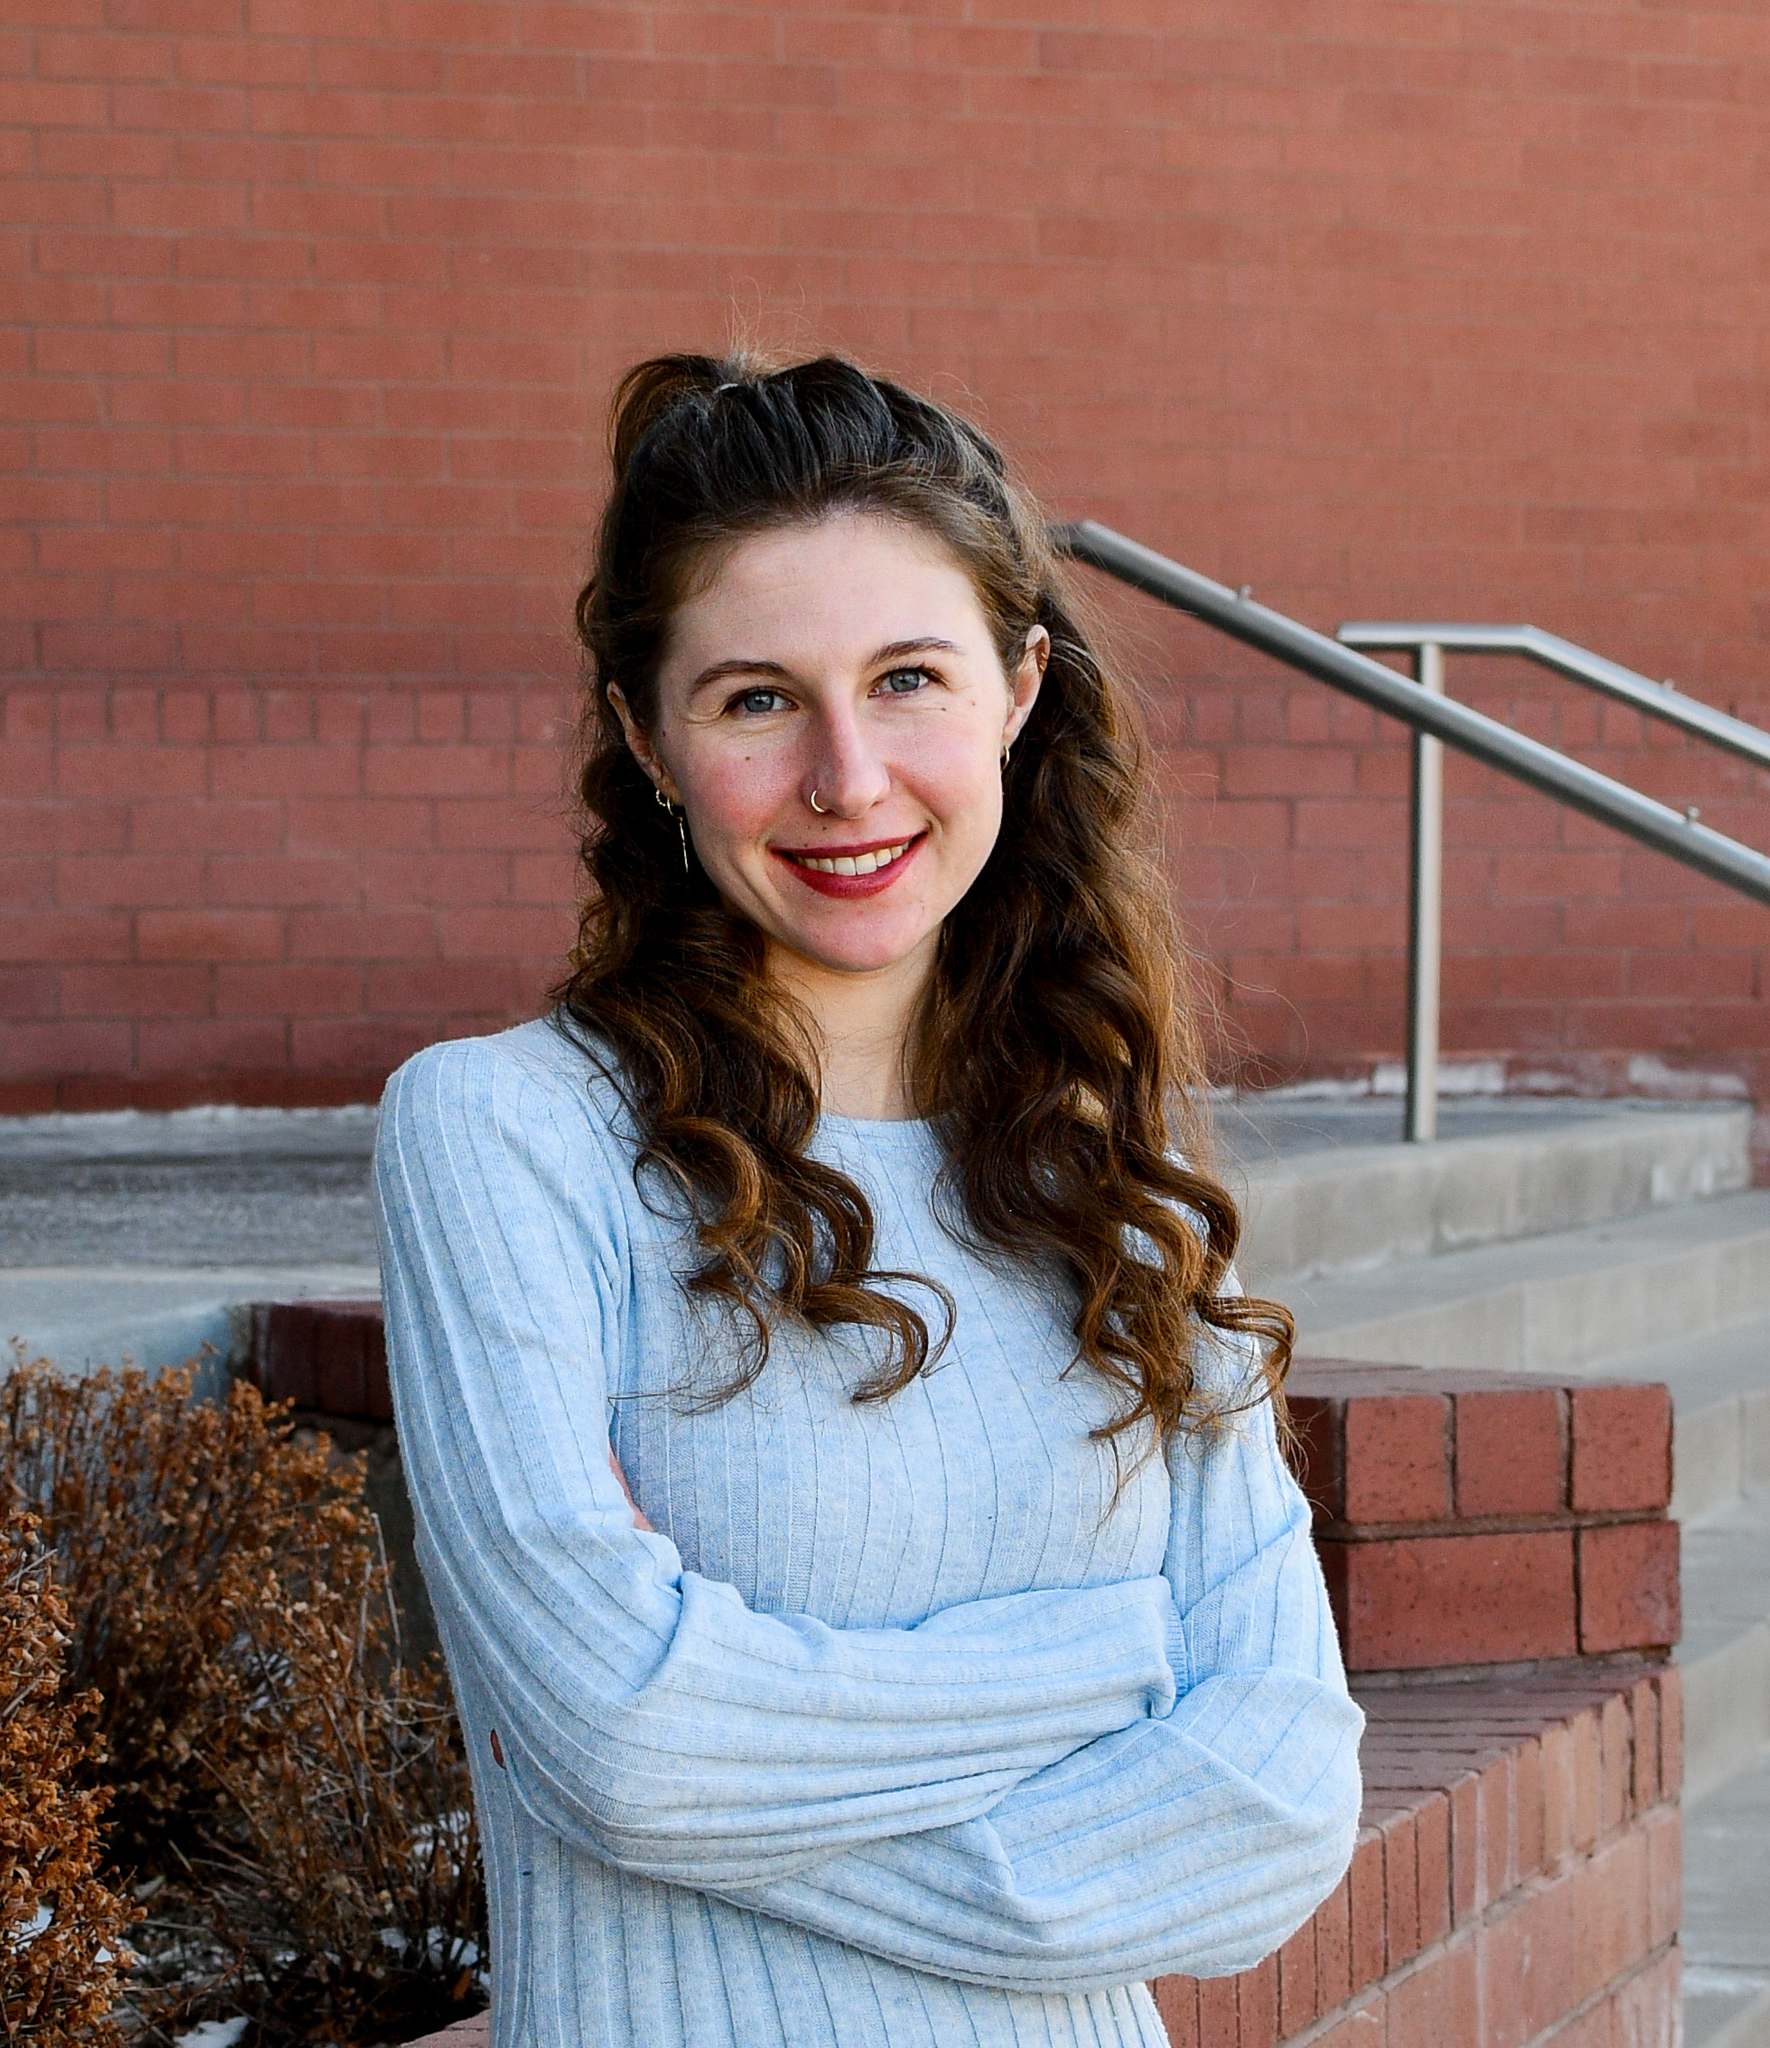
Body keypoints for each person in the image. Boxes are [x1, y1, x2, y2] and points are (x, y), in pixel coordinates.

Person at [373, 354, 1363, 2048]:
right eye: (757, 700)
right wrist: (1107, 1669)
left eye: (909, 679)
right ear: (646, 737)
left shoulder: (1104, 1184)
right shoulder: (510, 1138)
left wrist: (742, 1769)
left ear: (1020, 688)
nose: (846, 778)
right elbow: (620, 1740)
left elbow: (1276, 1810)